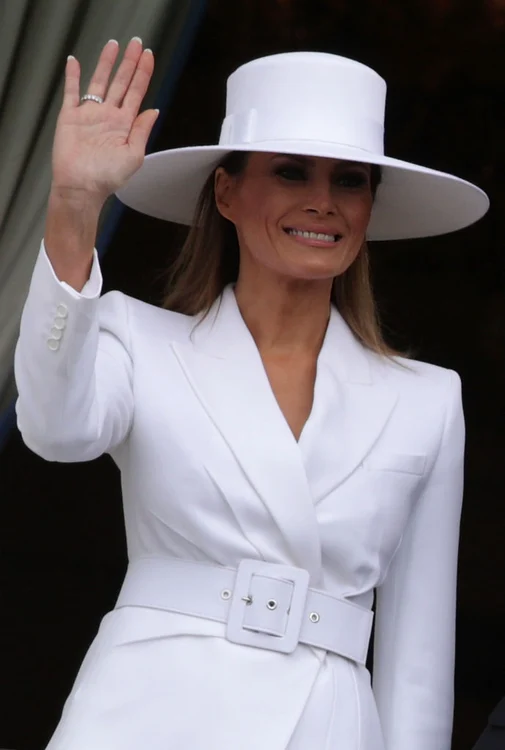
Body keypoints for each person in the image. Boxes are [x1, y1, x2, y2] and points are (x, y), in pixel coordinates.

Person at [14, 38, 489, 750]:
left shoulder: (426, 400)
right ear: (227, 191)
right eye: (291, 172)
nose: (323, 202)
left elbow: (417, 660)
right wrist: (75, 204)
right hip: (147, 715)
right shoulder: (137, 339)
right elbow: (55, 430)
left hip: (326, 728)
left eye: (350, 181)